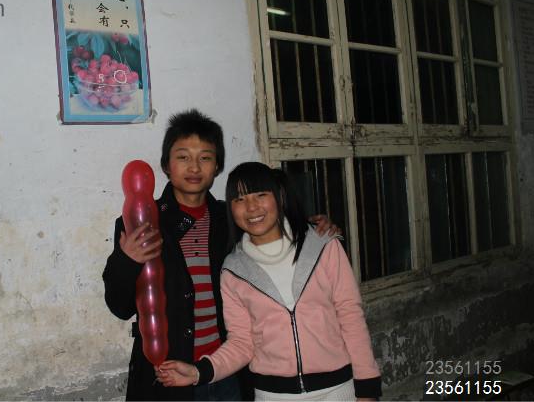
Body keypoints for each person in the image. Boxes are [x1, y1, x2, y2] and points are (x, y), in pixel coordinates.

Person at [103, 110, 339, 401]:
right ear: (166, 165)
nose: (194, 167)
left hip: (229, 370)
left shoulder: (234, 218)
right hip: (167, 377)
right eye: (183, 157)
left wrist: (315, 228)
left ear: (217, 166)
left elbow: (280, 244)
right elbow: (120, 307)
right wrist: (127, 261)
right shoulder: (140, 224)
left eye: (205, 157)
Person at [155, 162, 382, 401]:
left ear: (279, 197)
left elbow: (351, 316)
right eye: (240, 199)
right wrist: (198, 372)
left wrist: (367, 388)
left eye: (261, 195)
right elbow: (242, 343)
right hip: (272, 395)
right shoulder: (233, 270)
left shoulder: (323, 245)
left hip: (338, 390)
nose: (251, 207)